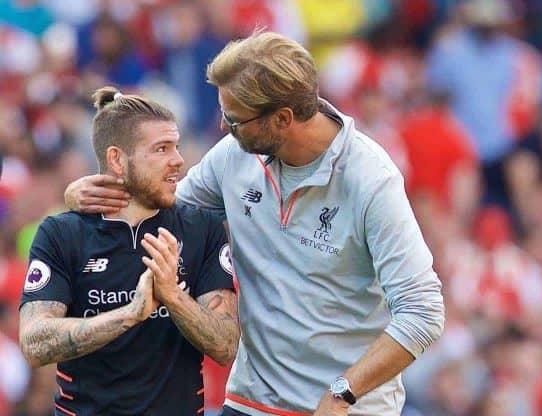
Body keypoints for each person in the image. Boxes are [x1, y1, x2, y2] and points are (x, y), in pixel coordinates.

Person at [65, 32, 445, 416]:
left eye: (234, 119)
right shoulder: (236, 154)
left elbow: (423, 312)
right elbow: (165, 214)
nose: (224, 125)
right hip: (250, 402)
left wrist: (343, 392)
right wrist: (88, 197)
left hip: (347, 409)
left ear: (282, 119)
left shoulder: (371, 180)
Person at [20, 87, 239, 416]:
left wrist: (172, 296)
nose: (178, 160)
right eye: (161, 149)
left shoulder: (200, 228)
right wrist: (129, 314)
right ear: (117, 160)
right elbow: (34, 343)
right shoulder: (63, 233)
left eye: (176, 146)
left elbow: (226, 345)